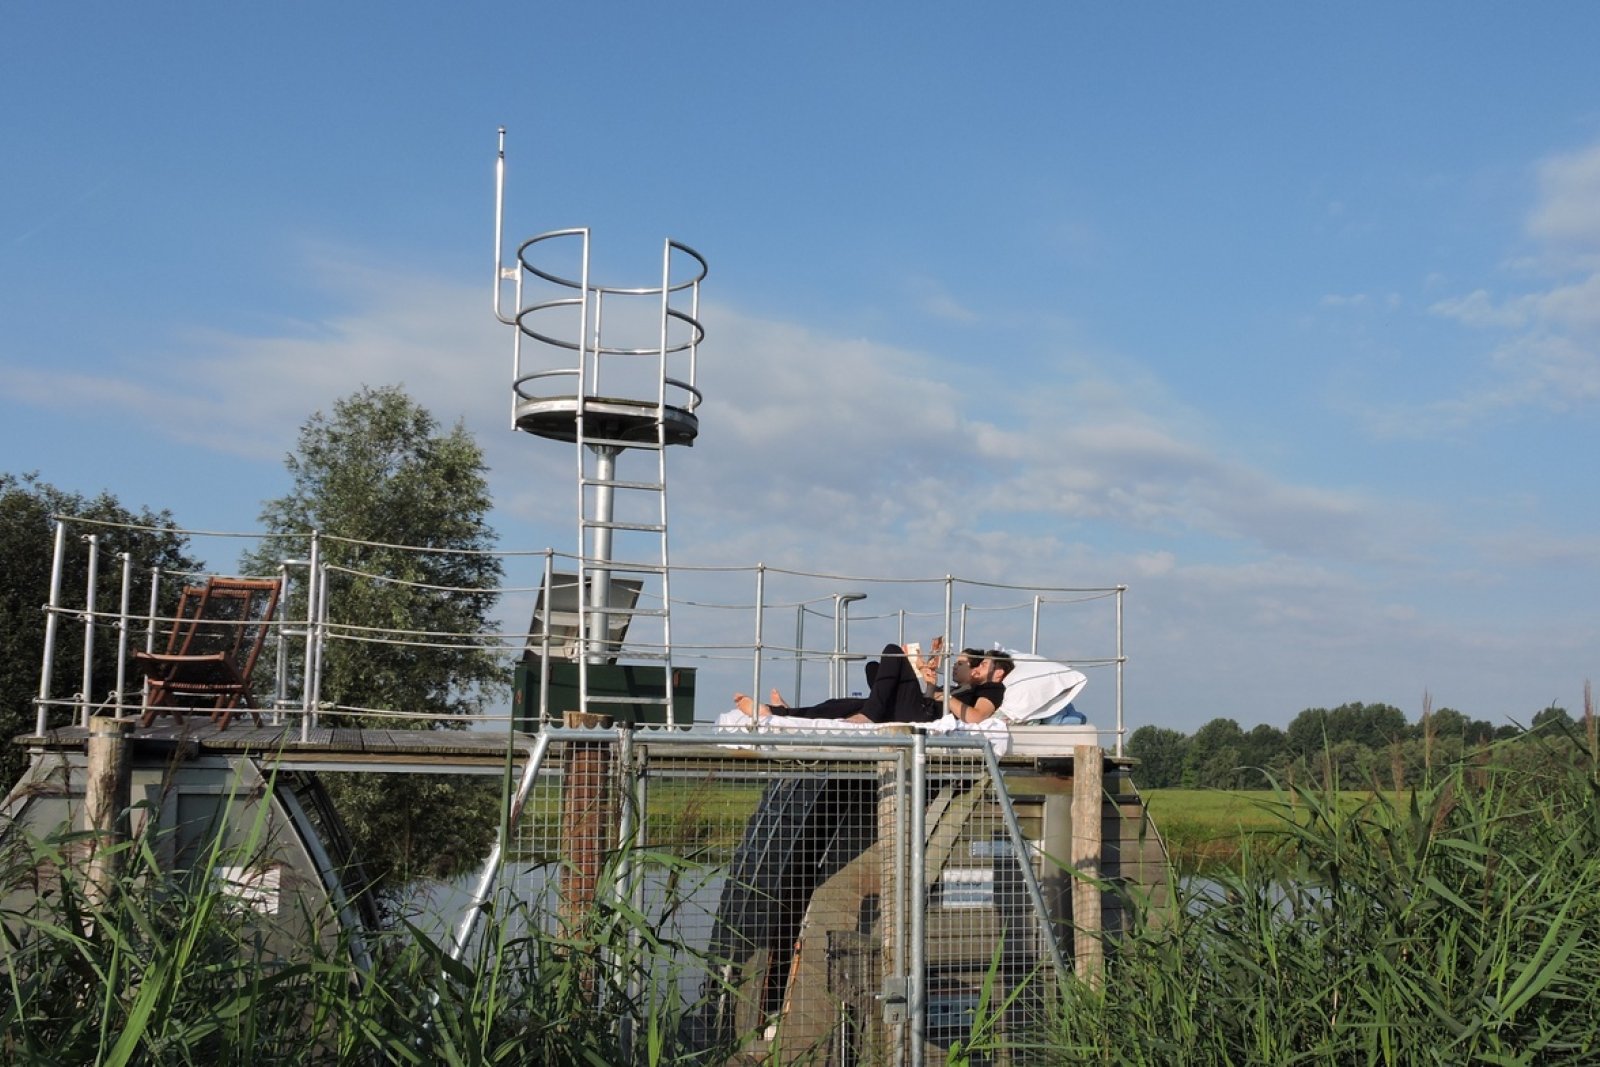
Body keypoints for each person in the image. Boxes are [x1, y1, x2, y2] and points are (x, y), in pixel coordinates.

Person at [733, 642, 1014, 725]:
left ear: (998, 673)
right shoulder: (962, 688)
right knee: (844, 701)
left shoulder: (991, 689)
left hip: (921, 715)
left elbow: (977, 717)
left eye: (982, 664)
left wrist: (942, 696)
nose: (972, 668)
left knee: (893, 649)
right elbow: (935, 701)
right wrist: (931, 685)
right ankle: (777, 712)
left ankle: (870, 714)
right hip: (921, 708)